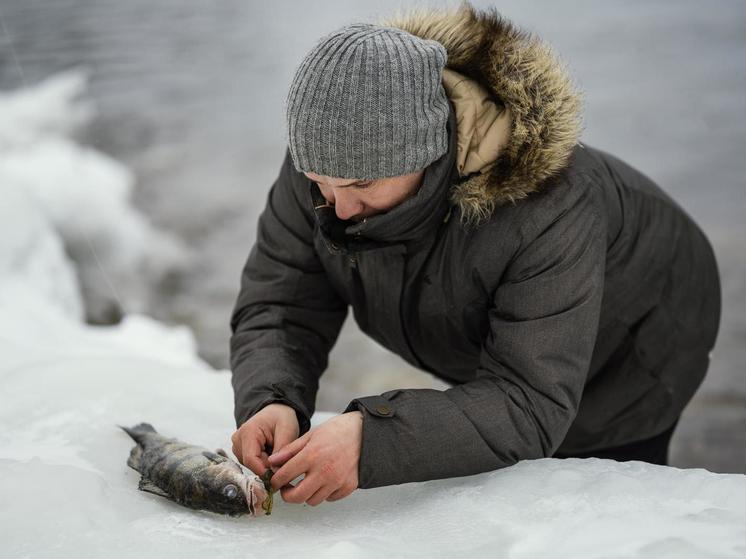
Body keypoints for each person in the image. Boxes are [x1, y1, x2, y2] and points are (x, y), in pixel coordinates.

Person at [229, 3, 721, 507]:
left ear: (424, 151)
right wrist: (272, 397)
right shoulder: (326, 162)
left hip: (641, 341)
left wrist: (374, 440)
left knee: (591, 500)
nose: (340, 207)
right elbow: (282, 302)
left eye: (362, 183)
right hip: (523, 343)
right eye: (321, 182)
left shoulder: (548, 208)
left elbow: (531, 400)